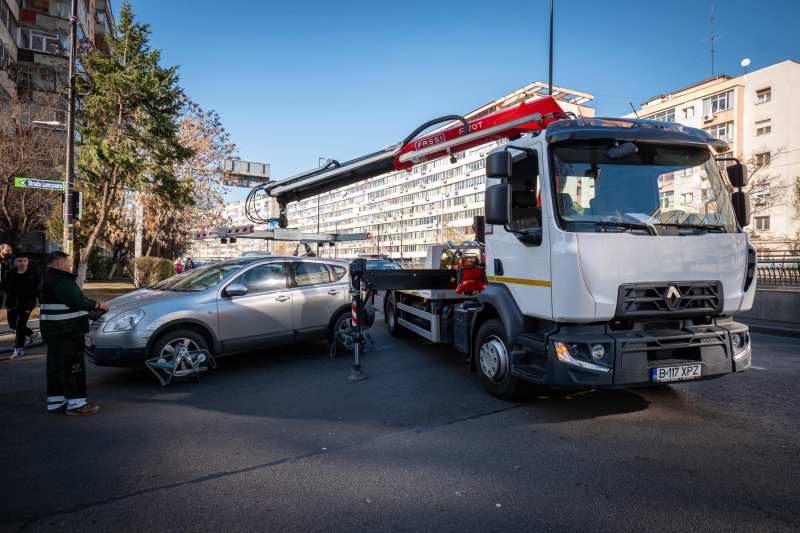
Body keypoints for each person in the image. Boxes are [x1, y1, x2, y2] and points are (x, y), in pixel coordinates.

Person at [39, 251, 109, 416]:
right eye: (67, 262)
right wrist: (97, 304)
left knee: (56, 368)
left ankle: (56, 402)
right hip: (68, 331)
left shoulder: (47, 279)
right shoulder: (61, 280)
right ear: (60, 264)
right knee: (73, 368)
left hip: (55, 331)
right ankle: (76, 404)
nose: (70, 265)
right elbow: (76, 300)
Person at [2, 253, 40, 359]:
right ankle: (32, 334)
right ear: (15, 262)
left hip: (27, 303)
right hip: (12, 303)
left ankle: (18, 349)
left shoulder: (33, 273)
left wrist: (33, 296)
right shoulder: (10, 273)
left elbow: (39, 287)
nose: (22, 263)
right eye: (19, 261)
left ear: (27, 262)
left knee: (20, 325)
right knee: (12, 325)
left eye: (24, 260)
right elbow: (5, 287)